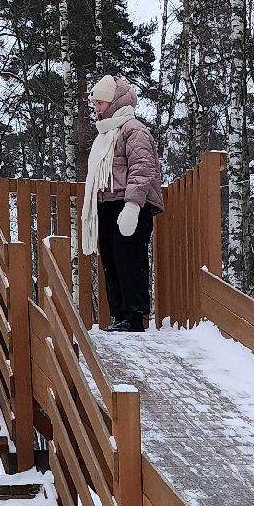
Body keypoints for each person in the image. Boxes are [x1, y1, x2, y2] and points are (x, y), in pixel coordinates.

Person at [80, 75, 162, 332]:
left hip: (129, 204)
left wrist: (133, 206)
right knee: (111, 259)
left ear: (115, 102)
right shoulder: (105, 133)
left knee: (129, 258)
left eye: (101, 102)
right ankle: (120, 314)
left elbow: (143, 168)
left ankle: (134, 316)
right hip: (107, 203)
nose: (97, 107)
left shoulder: (133, 130)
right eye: (95, 103)